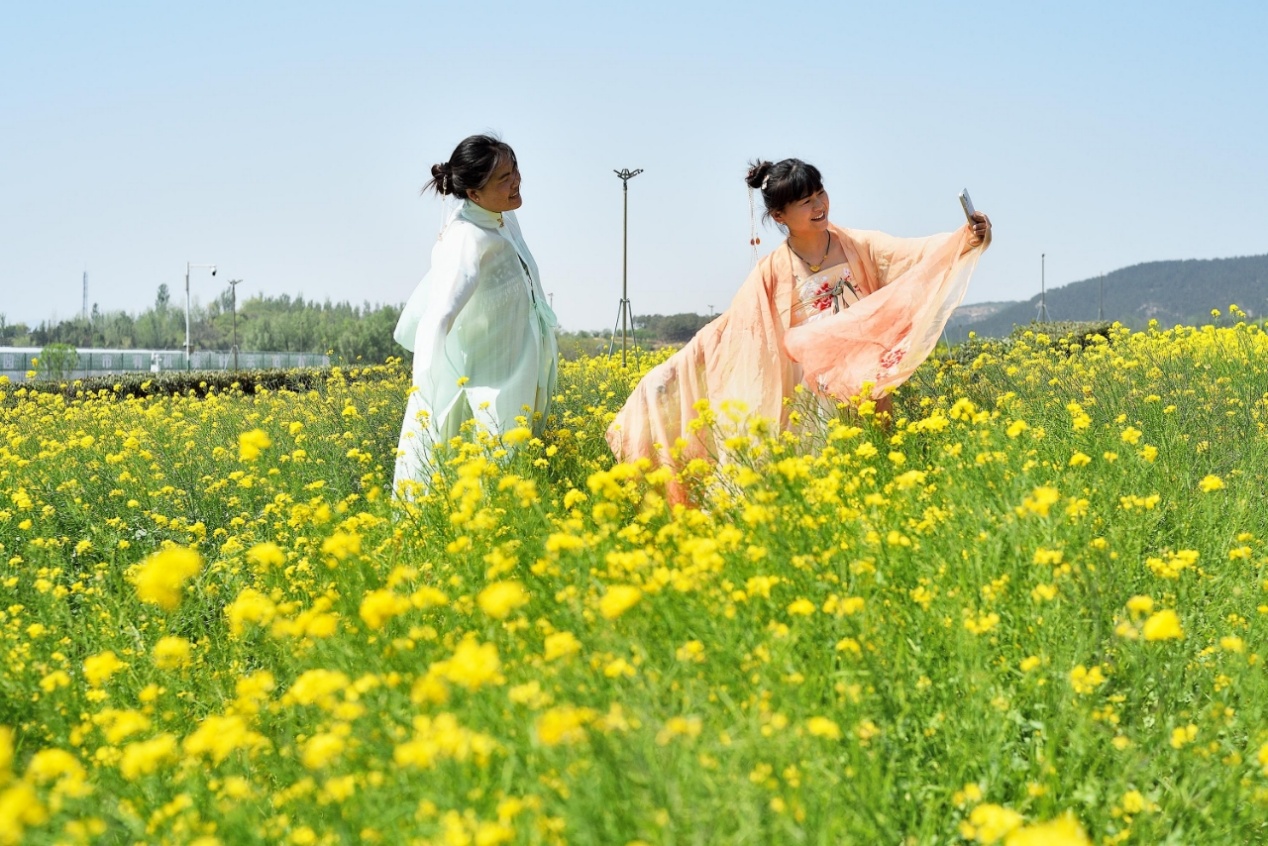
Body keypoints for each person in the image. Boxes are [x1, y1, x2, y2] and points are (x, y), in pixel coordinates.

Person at [606, 157, 991, 495]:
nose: (819, 205)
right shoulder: (771, 272)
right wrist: (668, 375)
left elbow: (917, 254)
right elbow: (732, 330)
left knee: (875, 463)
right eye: (805, 202)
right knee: (823, 470)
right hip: (813, 392)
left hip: (866, 381)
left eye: (820, 194)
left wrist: (965, 238)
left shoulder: (856, 244)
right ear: (779, 216)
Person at [393, 134, 558, 497]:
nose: (515, 182)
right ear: (474, 194)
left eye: (515, 171)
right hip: (487, 387)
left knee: (509, 477)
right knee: (483, 482)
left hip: (514, 372)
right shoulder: (466, 238)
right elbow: (440, 313)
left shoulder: (502, 219)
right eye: (504, 179)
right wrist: (427, 388)